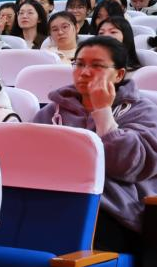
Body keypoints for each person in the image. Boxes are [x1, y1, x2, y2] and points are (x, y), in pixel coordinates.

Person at [34, 36, 157, 253]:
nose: (85, 72)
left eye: (97, 66)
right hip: (52, 200)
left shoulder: (142, 110)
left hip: (113, 212)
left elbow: (127, 166)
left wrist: (102, 112)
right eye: (79, 64)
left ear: (119, 74)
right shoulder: (52, 112)